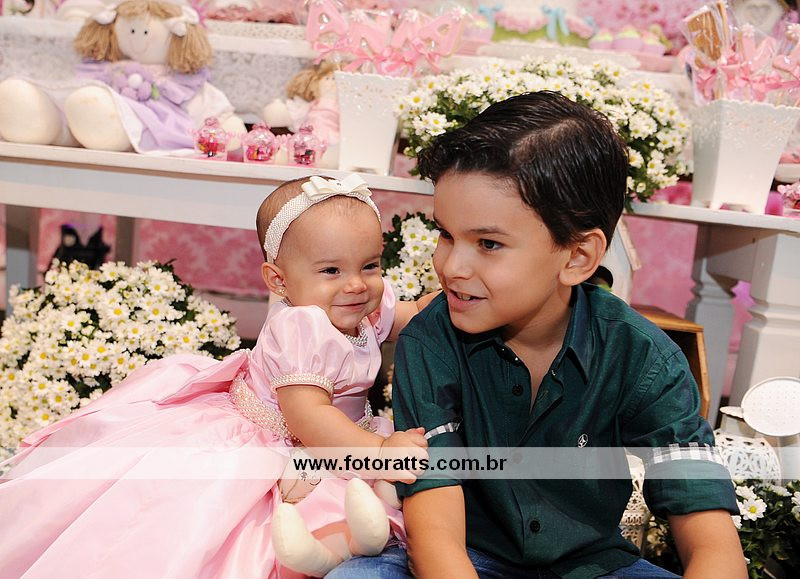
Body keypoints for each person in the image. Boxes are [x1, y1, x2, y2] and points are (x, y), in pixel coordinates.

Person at [327, 92, 746, 578]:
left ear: (577, 257)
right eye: (446, 234)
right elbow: (435, 539)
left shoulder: (645, 358)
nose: (451, 265)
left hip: (595, 567)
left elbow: (713, 543)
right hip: (465, 557)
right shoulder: (430, 340)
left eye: (488, 243)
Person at [0, 174, 431, 578]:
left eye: (369, 265)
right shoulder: (303, 327)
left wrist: (451, 293)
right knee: (225, 516)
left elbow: (411, 314)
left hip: (337, 436)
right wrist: (379, 451)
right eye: (331, 271)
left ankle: (348, 535)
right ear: (279, 280)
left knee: (358, 493)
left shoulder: (360, 305)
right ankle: (321, 547)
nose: (356, 284)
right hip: (286, 437)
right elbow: (309, 418)